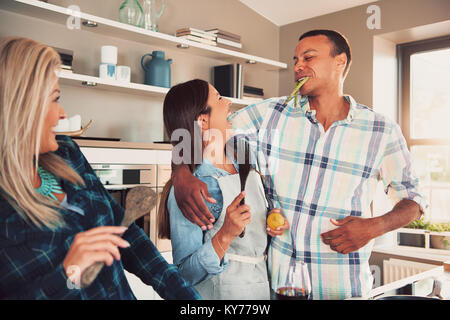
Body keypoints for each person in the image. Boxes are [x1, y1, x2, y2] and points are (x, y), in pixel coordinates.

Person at [170, 30, 427, 299]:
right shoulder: (271, 113)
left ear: (340, 62)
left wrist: (373, 227)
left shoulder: (381, 130)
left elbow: (414, 200)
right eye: (295, 59)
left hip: (343, 288)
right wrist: (181, 173)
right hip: (280, 289)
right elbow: (199, 130)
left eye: (308, 57)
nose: (297, 66)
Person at [0, 36, 200, 300]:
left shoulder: (67, 153)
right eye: (54, 99)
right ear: (19, 106)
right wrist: (67, 274)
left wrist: (182, 293)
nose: (62, 114)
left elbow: (124, 230)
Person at [157, 79, 288, 300]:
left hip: (260, 289)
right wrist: (224, 235)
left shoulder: (247, 160)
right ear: (203, 120)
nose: (227, 101)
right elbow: (184, 275)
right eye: (218, 98)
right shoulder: (192, 188)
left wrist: (271, 218)